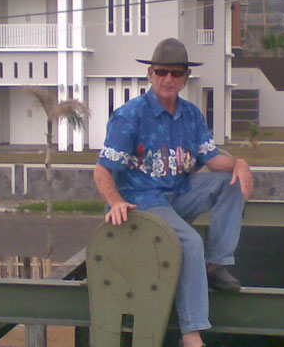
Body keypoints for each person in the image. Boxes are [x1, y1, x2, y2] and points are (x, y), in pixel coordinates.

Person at [94, 38, 253, 347]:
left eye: (176, 73)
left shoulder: (191, 115)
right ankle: (191, 333)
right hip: (143, 200)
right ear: (150, 74)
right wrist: (114, 202)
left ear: (185, 78)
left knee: (228, 182)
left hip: (178, 194)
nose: (168, 79)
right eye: (162, 72)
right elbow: (102, 170)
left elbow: (213, 158)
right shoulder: (131, 115)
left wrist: (241, 163)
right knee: (190, 242)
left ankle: (216, 264)